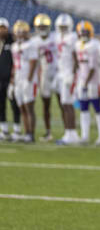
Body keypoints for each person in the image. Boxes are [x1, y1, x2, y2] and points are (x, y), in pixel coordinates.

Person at [74, 20, 100, 145]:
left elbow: (93, 67)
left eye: (86, 32)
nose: (83, 34)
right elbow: (78, 63)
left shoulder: (94, 45)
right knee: (83, 108)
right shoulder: (78, 44)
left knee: (97, 108)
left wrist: (85, 82)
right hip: (82, 80)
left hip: (93, 81)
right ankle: (84, 135)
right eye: (82, 32)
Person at [32, 13, 61, 142]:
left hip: (56, 73)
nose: (42, 28)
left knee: (63, 103)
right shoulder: (35, 41)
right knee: (46, 105)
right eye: (40, 26)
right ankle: (48, 132)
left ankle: (68, 131)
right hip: (44, 74)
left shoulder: (56, 37)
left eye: (44, 26)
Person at [11, 20, 39, 143]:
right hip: (18, 78)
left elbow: (33, 62)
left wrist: (29, 79)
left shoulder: (31, 45)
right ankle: (26, 132)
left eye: (22, 32)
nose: (20, 35)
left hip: (28, 80)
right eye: (18, 32)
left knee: (29, 107)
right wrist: (12, 81)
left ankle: (31, 134)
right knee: (21, 107)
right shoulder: (14, 46)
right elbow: (15, 65)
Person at [54, 13, 80, 145]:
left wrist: (73, 74)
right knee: (64, 104)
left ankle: (72, 133)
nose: (63, 29)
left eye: (65, 26)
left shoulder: (72, 37)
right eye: (61, 26)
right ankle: (68, 132)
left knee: (68, 104)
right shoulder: (58, 37)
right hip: (61, 73)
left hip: (68, 74)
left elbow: (76, 57)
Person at [0, 17, 22, 141]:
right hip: (0, 80)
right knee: (1, 105)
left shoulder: (12, 41)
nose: (1, 30)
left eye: (3, 28)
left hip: (11, 78)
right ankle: (3, 129)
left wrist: (14, 78)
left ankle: (17, 130)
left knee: (14, 104)